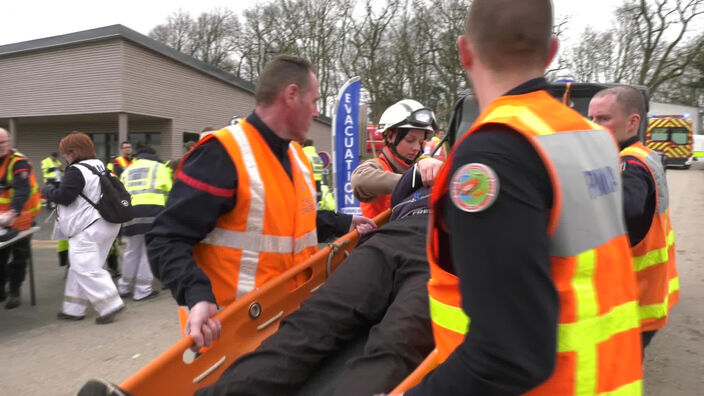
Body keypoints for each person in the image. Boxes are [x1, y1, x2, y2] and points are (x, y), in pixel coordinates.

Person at [406, 1, 643, 394]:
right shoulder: (594, 139)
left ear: (465, 51)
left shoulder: (494, 153)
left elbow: (507, 354)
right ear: (551, 50)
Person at [146, 55, 375, 352]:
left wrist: (344, 223)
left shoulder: (295, 157)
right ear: (291, 95)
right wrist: (196, 294)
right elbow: (165, 238)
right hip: (233, 339)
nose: (317, 111)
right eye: (315, 101)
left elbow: (288, 223)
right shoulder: (222, 154)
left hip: (290, 330)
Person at [193, 159, 436, 396]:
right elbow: (381, 185)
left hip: (445, 253)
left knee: (397, 344)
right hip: (393, 237)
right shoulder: (433, 170)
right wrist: (422, 166)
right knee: (310, 324)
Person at [589, 86, 680, 351]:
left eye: (603, 118)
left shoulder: (631, 165)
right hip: (646, 295)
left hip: (632, 304)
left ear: (632, 122)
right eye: (591, 118)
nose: (594, 126)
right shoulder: (644, 155)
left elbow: (625, 206)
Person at [43, 131, 124, 324]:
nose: (64, 156)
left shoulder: (76, 170)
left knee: (85, 268)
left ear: (73, 151)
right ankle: (73, 308)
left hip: (88, 226)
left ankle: (110, 304)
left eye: (66, 152)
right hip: (107, 223)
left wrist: (47, 190)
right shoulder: (99, 166)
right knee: (80, 267)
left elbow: (65, 197)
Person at [352, 99, 442, 218]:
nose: (416, 148)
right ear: (390, 136)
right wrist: (410, 181)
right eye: (410, 140)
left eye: (420, 142)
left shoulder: (419, 166)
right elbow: (359, 180)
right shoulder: (378, 166)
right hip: (381, 235)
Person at [117, 143, 172, 301]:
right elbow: (169, 190)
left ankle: (124, 287)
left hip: (130, 213)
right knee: (148, 252)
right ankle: (142, 290)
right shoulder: (158, 167)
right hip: (152, 212)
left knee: (131, 250)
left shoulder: (128, 170)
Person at [0, 128, 41, 309]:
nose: (1, 146)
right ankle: (2, 287)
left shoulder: (18, 162)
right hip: (2, 220)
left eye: (3, 142)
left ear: (8, 142)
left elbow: (22, 189)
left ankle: (14, 291)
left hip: (22, 216)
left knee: (19, 256)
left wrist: (13, 213)